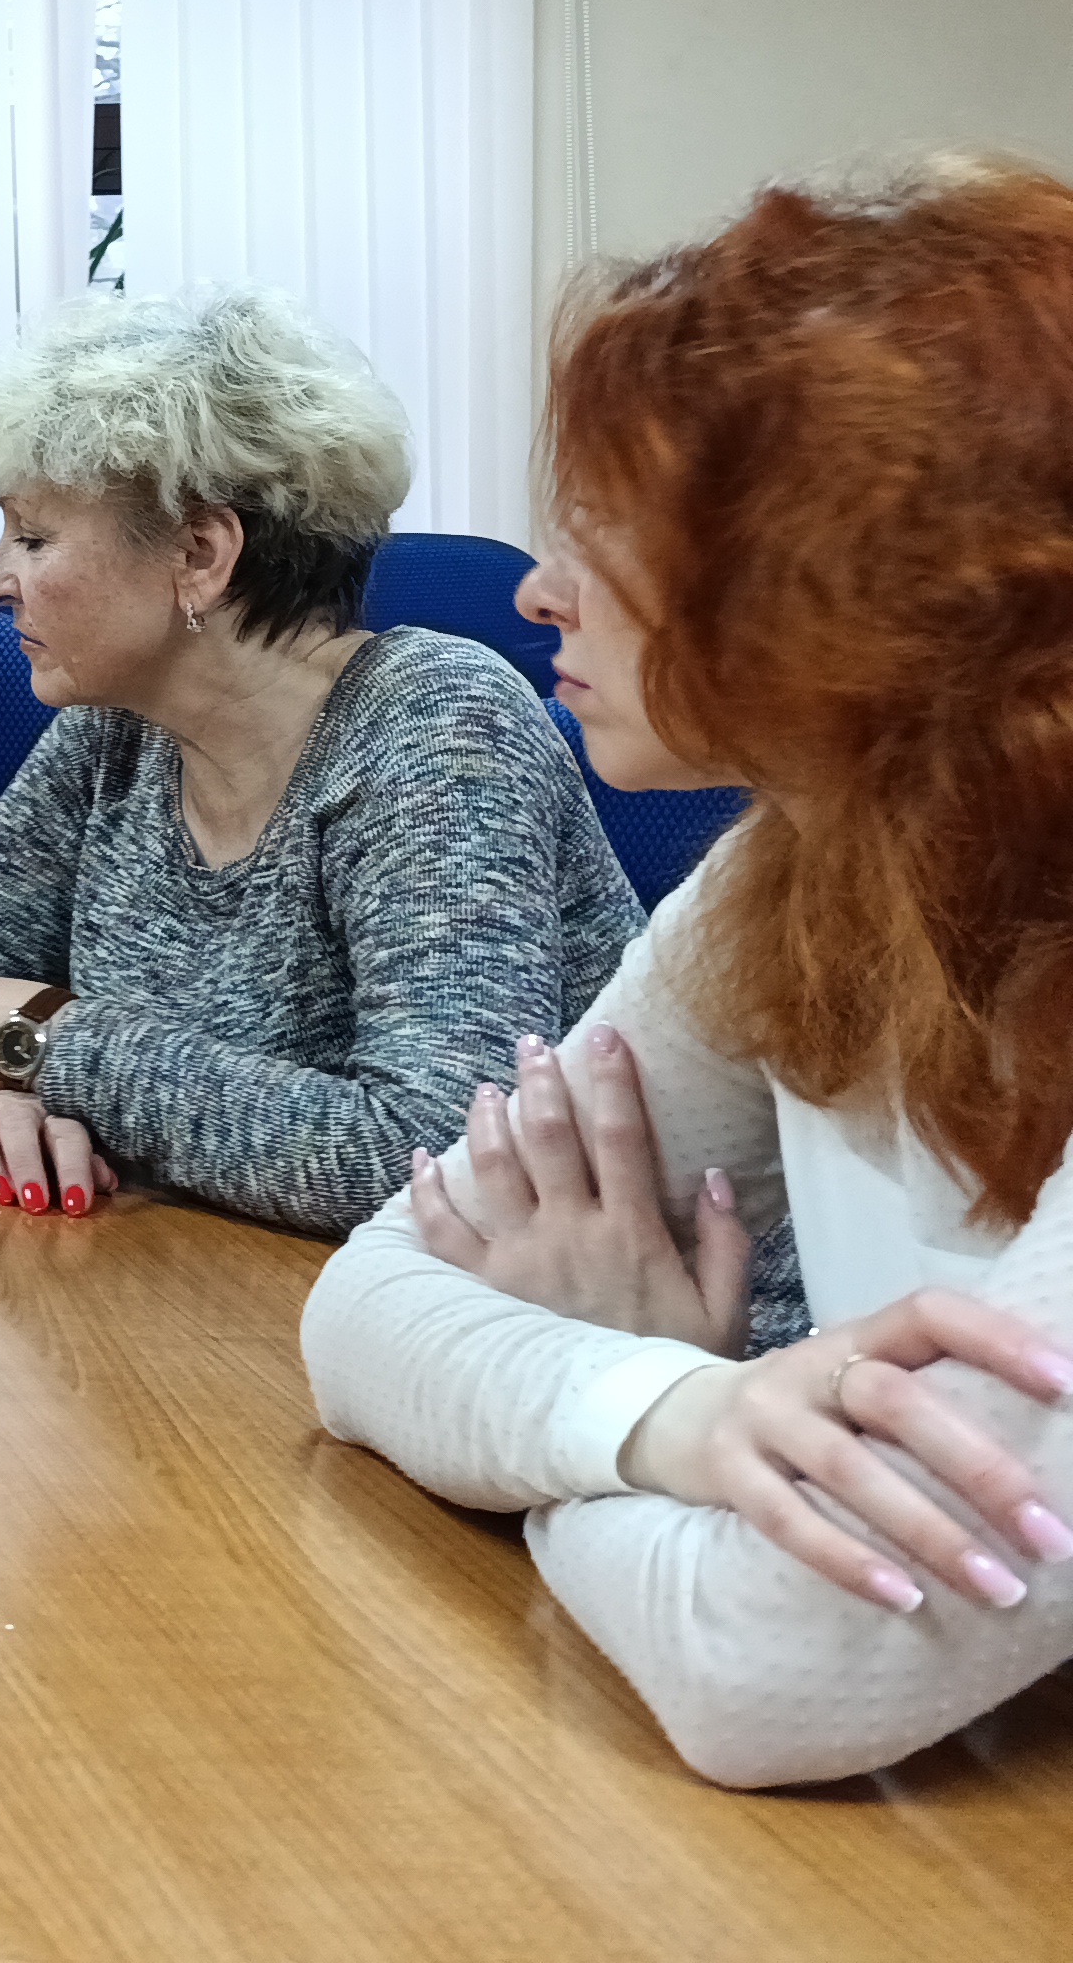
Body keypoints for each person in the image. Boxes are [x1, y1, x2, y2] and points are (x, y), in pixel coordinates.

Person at [304, 162, 1073, 1787]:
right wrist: (666, 1409)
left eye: (609, 526)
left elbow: (769, 1668)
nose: (538, 588)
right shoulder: (797, 866)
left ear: (849, 579)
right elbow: (365, 1308)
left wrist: (578, 1421)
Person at [0, 286, 636, 1232]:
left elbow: (441, 1157)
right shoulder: (119, 729)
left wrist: (41, 1045)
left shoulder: (437, 723)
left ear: (201, 553)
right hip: (194, 1282)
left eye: (34, 537)